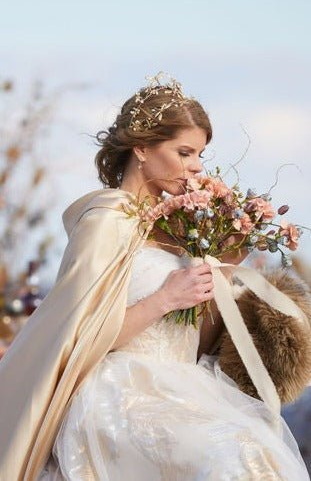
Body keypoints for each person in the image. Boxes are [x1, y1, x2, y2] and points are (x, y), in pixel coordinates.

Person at [1, 72, 310, 480]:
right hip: (121, 393)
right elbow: (78, 341)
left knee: (258, 455)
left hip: (187, 388)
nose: (196, 168)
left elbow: (192, 343)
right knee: (232, 456)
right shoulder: (106, 221)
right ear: (142, 147)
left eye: (200, 155)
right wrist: (164, 299)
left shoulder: (181, 231)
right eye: (185, 152)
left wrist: (225, 261)